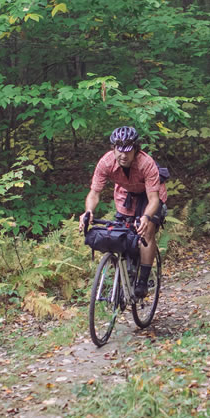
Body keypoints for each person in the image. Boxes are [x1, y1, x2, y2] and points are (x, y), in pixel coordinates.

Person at [80, 125, 167, 298]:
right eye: (119, 151)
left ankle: (142, 281)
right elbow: (94, 193)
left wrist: (146, 217)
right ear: (113, 149)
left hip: (150, 196)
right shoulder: (106, 162)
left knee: (146, 231)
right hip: (125, 195)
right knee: (119, 233)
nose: (123, 155)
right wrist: (88, 212)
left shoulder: (145, 163)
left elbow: (154, 199)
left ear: (135, 149)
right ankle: (124, 274)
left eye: (128, 151)